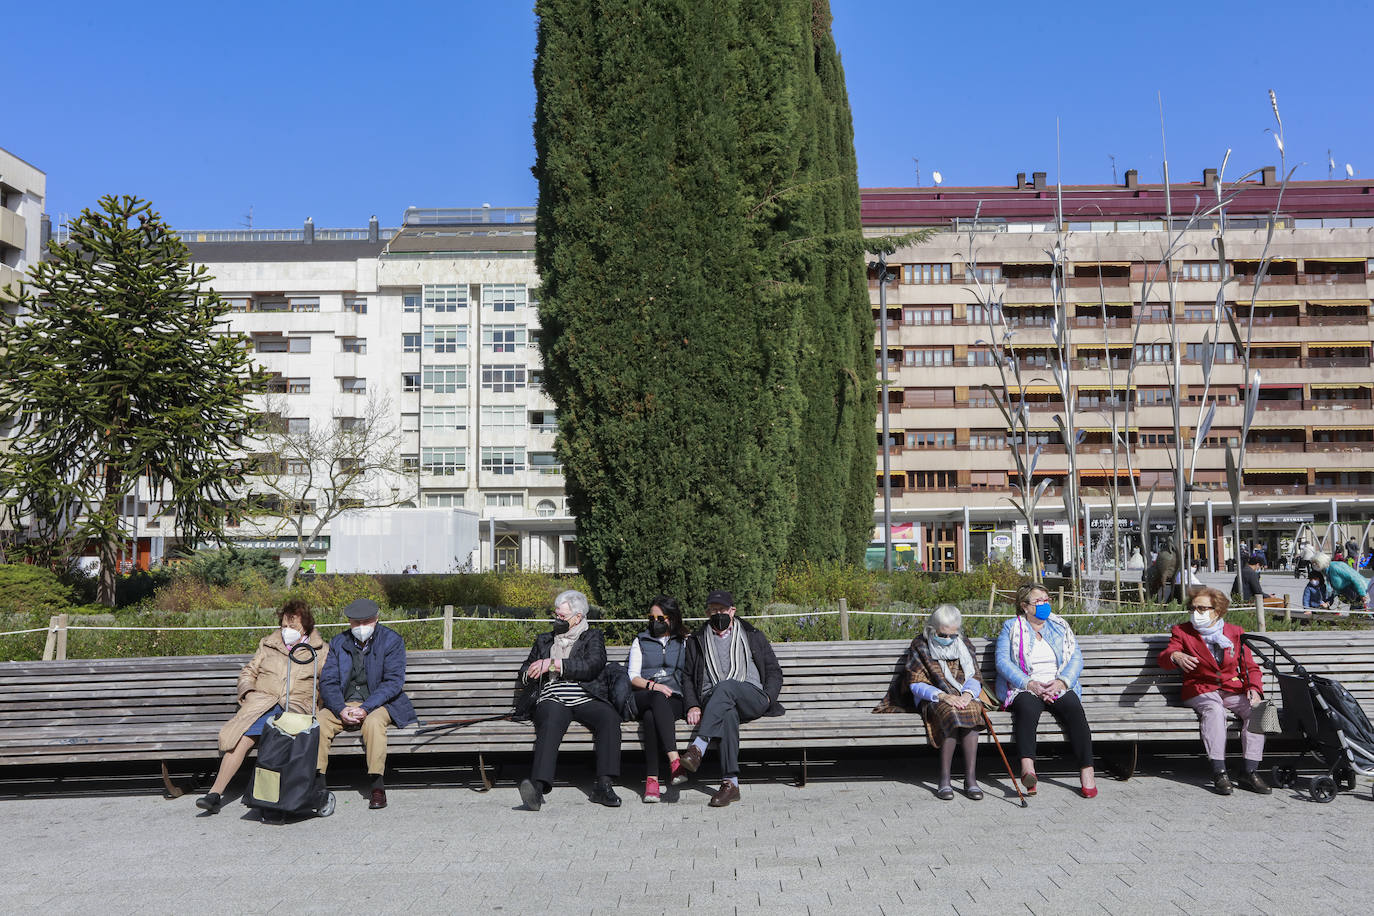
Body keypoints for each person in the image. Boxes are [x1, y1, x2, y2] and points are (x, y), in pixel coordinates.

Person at [196, 599, 327, 815]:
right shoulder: (268, 644)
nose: (287, 631)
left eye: (293, 627)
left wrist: (317, 708)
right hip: (263, 703)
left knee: (283, 741)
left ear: (306, 626)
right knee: (241, 739)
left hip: (295, 706)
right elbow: (249, 672)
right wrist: (248, 693)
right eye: (284, 626)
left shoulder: (320, 650)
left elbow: (325, 683)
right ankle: (214, 794)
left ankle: (276, 797)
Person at [516, 589, 622, 811]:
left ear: (578, 618)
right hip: (553, 696)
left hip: (585, 696)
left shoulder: (593, 637)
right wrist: (531, 671)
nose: (557, 620)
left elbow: (592, 665)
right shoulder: (545, 640)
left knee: (609, 717)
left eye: (562, 617)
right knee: (551, 720)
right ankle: (537, 789)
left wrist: (554, 664)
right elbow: (525, 669)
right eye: (556, 615)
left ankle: (603, 786)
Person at [1158, 587, 1270, 795]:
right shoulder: (1182, 631)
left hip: (1231, 688)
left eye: (1201, 608)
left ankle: (1250, 770)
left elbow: (1250, 667)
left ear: (1217, 611)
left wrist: (1255, 689)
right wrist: (1175, 656)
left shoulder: (1235, 632)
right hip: (1200, 689)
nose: (1195, 613)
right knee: (1214, 710)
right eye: (1192, 608)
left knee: (1262, 710)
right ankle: (1219, 771)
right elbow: (1166, 656)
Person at [679, 589, 784, 807]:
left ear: (732, 611)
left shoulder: (752, 634)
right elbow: (688, 677)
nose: (718, 614)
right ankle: (731, 783)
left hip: (752, 696)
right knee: (727, 713)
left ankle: (698, 746)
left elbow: (774, 671)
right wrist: (692, 705)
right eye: (713, 610)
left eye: (722, 609)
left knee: (725, 686)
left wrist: (769, 698)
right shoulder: (696, 641)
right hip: (714, 701)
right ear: (708, 613)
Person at [994, 583, 1098, 798]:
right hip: (1025, 686)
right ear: (1024, 606)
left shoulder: (1060, 626)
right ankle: (1028, 769)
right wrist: (1029, 684)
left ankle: (1087, 771)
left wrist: (1062, 682)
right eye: (1038, 601)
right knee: (1027, 709)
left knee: (1074, 709)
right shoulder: (1011, 627)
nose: (1044, 604)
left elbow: (1076, 658)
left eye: (1047, 599)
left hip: (1056, 684)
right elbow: (1003, 662)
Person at [316, 598, 416, 811]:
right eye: (356, 623)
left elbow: (393, 682)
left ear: (377, 619)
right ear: (349, 622)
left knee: (373, 724)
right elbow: (328, 681)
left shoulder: (391, 640)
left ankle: (377, 785)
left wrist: (365, 708)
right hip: (343, 702)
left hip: (380, 702)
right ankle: (318, 785)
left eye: (367, 622)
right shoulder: (338, 642)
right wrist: (341, 708)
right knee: (320, 722)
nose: (361, 627)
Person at [901, 604, 988, 800]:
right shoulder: (920, 645)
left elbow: (975, 676)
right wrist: (944, 696)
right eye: (943, 634)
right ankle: (944, 778)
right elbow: (915, 683)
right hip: (932, 696)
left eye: (952, 635)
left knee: (973, 712)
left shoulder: (964, 643)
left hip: (962, 694)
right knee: (950, 713)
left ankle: (971, 779)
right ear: (932, 629)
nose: (948, 639)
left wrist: (967, 695)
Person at [627, 596, 690, 803]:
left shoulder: (684, 641)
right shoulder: (641, 640)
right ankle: (674, 760)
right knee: (654, 699)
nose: (655, 621)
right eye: (651, 617)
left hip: (674, 698)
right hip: (644, 694)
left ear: (671, 618)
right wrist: (654, 686)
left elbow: (690, 675)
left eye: (660, 617)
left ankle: (652, 780)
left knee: (651, 717)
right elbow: (633, 676)